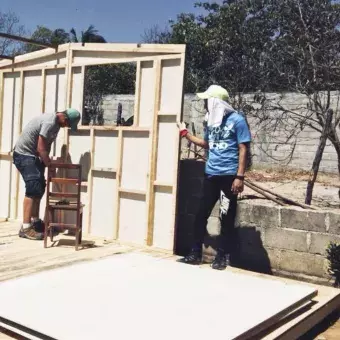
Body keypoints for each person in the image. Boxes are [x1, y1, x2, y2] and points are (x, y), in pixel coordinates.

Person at [177, 85, 251, 270]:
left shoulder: (237, 120)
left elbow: (243, 148)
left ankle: (222, 257)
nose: (204, 104)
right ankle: (195, 253)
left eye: (206, 101)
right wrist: (185, 134)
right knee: (201, 214)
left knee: (226, 217)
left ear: (216, 102)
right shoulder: (211, 122)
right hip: (211, 174)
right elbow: (206, 144)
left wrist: (239, 176)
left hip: (229, 176)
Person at [12, 109, 81, 240]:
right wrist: (49, 165)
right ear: (63, 117)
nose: (66, 126)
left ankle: (36, 221)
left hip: (34, 156)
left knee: (40, 187)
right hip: (24, 155)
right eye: (67, 124)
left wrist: (46, 164)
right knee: (33, 187)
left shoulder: (56, 124)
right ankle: (26, 228)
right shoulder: (50, 122)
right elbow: (41, 147)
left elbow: (45, 147)